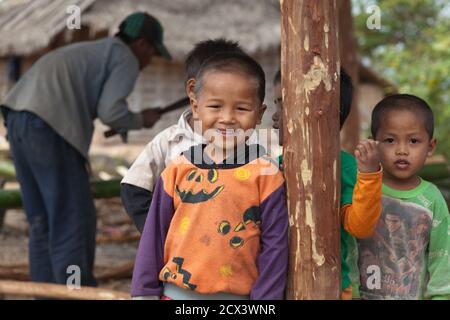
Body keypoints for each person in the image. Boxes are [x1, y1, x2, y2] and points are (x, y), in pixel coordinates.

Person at [0, 12, 170, 287]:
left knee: (42, 220)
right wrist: (141, 119)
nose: (148, 62)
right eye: (152, 53)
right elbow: (111, 111)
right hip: (50, 128)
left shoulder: (93, 51)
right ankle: (75, 293)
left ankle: (46, 294)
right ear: (141, 45)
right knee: (72, 220)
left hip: (18, 120)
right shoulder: (124, 56)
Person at [131, 52, 288, 300]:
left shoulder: (267, 176)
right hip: (176, 295)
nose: (227, 118)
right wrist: (144, 291)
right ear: (195, 107)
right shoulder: (176, 170)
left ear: (259, 114)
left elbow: (275, 246)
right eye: (215, 106)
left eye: (242, 108)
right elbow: (154, 236)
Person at [271, 68, 383, 299]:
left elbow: (360, 226)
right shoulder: (275, 165)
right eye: (276, 104)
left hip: (329, 288)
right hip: (276, 287)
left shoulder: (346, 167)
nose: (274, 116)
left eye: (283, 104)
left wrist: (369, 176)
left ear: (319, 111)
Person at [121, 39, 246, 233]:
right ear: (192, 91)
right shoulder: (169, 142)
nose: (228, 116)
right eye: (218, 103)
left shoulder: (247, 144)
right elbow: (134, 187)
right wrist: (159, 234)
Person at [354, 94, 450, 300]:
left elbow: (441, 259)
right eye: (390, 140)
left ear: (430, 147)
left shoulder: (432, 199)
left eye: (413, 141)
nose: (402, 150)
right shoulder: (363, 188)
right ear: (374, 143)